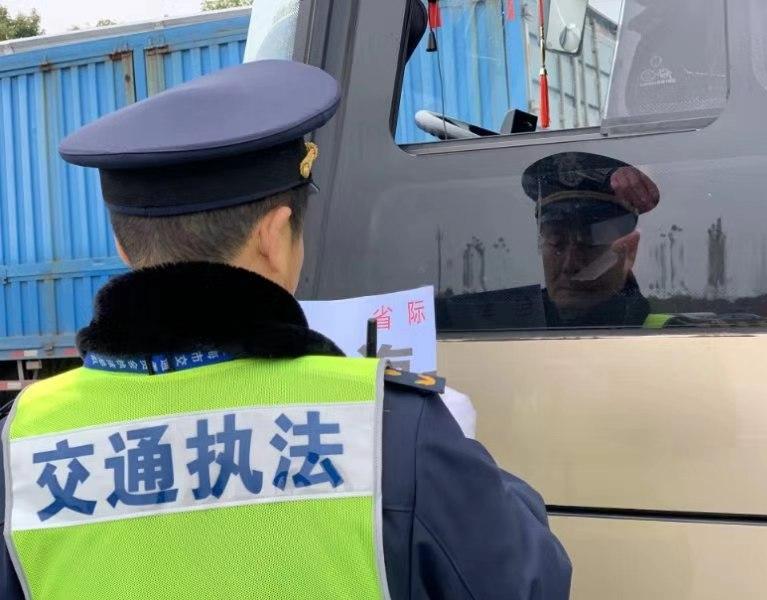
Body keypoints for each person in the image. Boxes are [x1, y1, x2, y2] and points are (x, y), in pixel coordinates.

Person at [0, 60, 570, 599]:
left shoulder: (20, 442)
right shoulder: (385, 427)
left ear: (124, 246)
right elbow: (528, 582)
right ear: (274, 237)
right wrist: (457, 457)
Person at [521, 151, 660, 328]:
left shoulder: (670, 337)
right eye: (556, 242)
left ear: (629, 251)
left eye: (589, 243)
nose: (570, 264)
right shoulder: (505, 324)